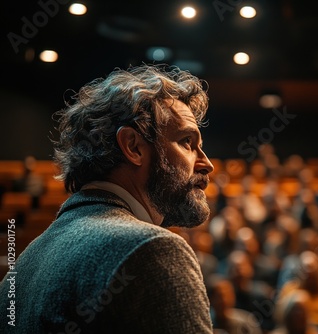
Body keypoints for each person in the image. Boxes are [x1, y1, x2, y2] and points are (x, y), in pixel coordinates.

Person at [0, 64, 214, 333]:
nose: (207, 164)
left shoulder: (22, 266)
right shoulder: (152, 250)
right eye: (187, 142)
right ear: (133, 146)